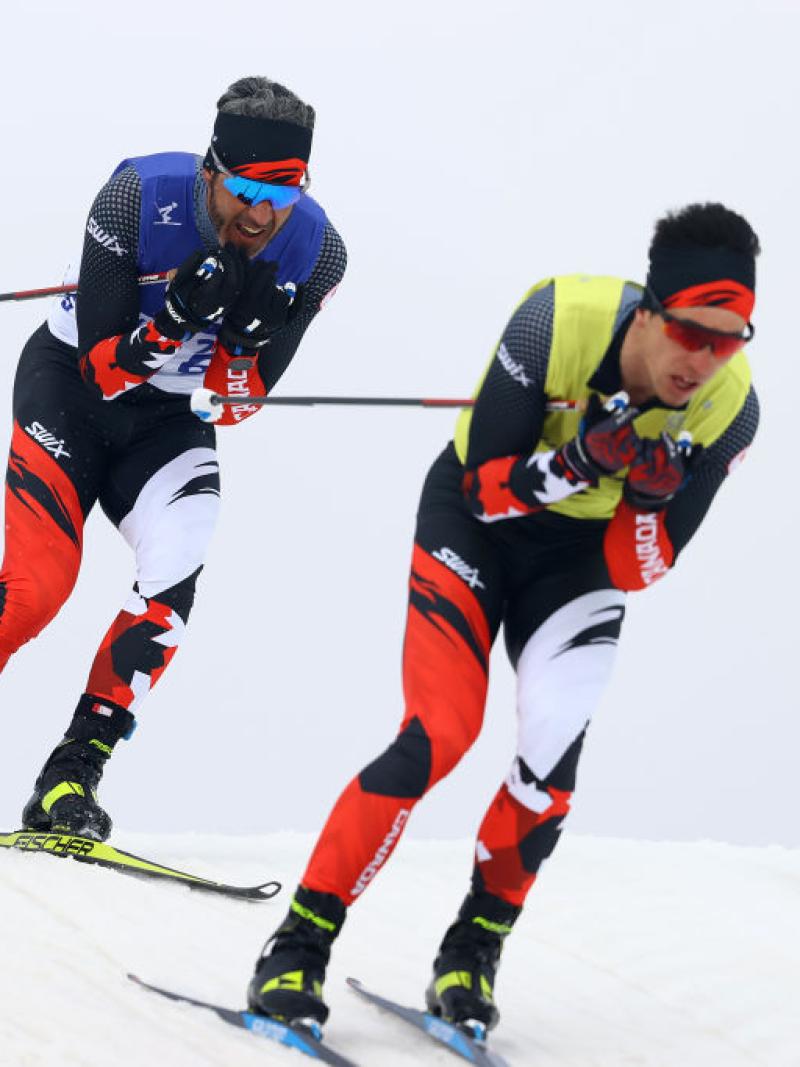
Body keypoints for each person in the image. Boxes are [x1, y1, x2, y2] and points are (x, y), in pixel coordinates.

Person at [245, 203, 760, 1037]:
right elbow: (486, 486)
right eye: (693, 334)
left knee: (551, 749)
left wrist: (647, 499)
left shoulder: (729, 409)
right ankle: (298, 942)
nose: (706, 360)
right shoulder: (555, 317)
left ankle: (470, 954)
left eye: (731, 338)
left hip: (580, 557)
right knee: (440, 731)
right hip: (473, 526)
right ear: (651, 311)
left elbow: (642, 568)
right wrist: (581, 461)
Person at [0, 76, 346, 841]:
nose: (261, 213)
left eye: (283, 193)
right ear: (211, 170)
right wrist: (177, 319)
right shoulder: (136, 196)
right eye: (248, 188)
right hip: (72, 391)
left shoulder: (317, 251)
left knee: (180, 556)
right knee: (33, 590)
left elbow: (237, 403)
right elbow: (101, 369)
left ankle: (70, 776)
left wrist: (248, 342)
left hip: (168, 424)